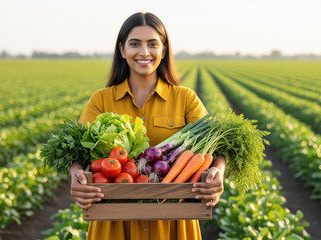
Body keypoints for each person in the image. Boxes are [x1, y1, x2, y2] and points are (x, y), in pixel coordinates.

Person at [69, 12, 226, 240]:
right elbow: (76, 153)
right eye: (135, 44)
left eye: (152, 44)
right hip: (113, 223)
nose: (144, 52)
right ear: (122, 50)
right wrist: (76, 175)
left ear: (163, 50)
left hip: (174, 223)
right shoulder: (101, 100)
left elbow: (219, 151)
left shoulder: (186, 99)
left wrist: (217, 173)